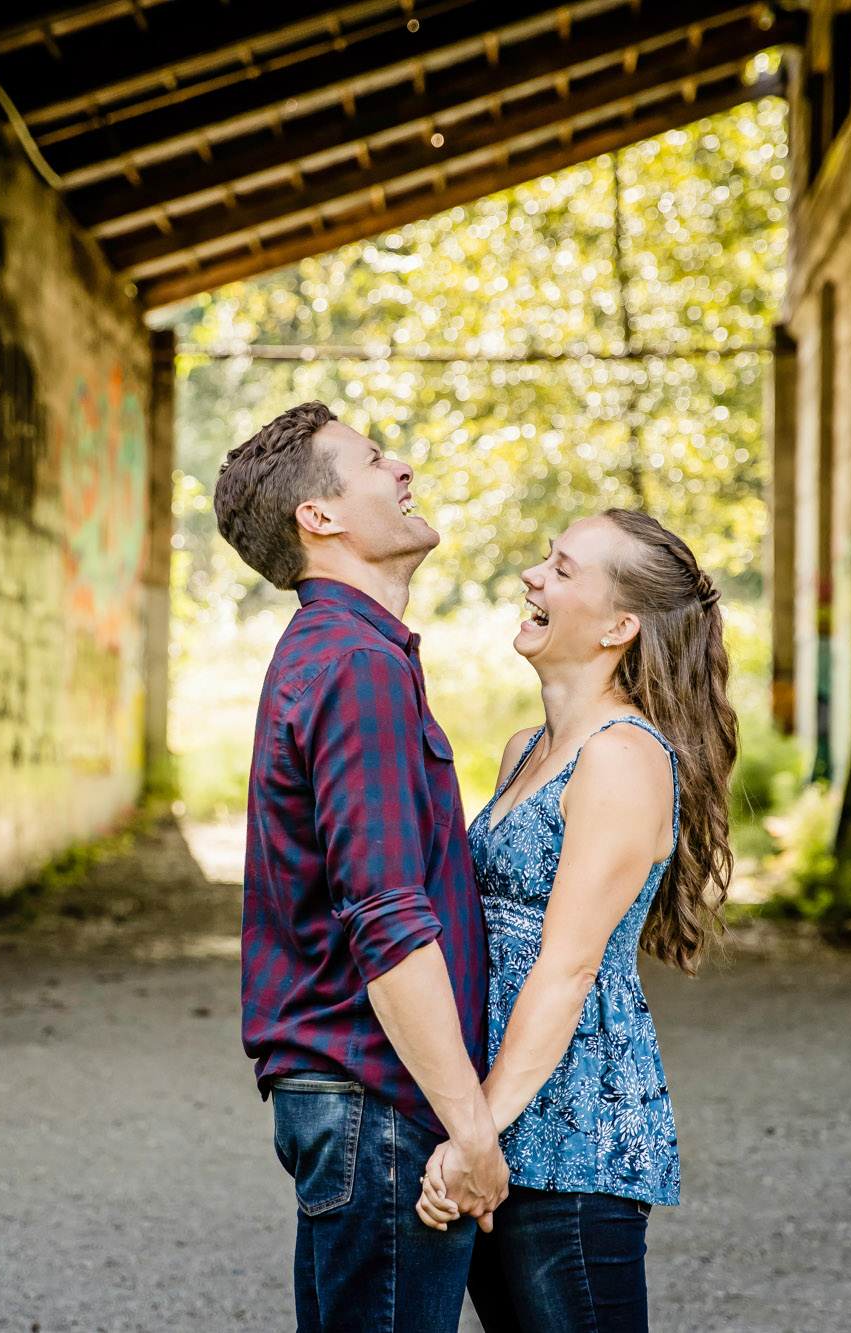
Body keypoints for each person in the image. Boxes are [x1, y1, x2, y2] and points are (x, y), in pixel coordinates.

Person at [213, 402, 506, 1333]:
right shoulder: (356, 663)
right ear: (321, 516)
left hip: (354, 1100)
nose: (403, 468)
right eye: (376, 459)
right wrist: (470, 1124)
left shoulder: (346, 651)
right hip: (379, 1101)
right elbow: (385, 912)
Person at [417, 509, 738, 1332]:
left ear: (619, 626)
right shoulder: (527, 747)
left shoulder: (624, 758)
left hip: (577, 1138)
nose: (533, 576)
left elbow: (566, 969)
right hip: (501, 1122)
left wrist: (472, 1134)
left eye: (562, 569)